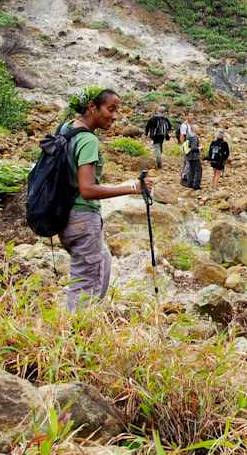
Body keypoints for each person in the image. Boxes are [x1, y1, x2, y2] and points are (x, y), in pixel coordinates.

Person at [58, 88, 153, 311]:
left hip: (65, 216)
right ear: (92, 107)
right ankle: (76, 336)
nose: (115, 115)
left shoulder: (67, 129)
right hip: (82, 217)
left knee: (102, 264)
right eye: (110, 109)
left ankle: (79, 330)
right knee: (87, 285)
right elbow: (88, 189)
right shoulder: (88, 139)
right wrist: (131, 188)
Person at [144, 105, 173, 170]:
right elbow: (170, 127)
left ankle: (158, 161)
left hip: (155, 135)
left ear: (157, 111)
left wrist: (146, 133)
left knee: (156, 146)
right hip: (162, 135)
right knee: (160, 145)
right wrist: (167, 135)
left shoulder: (153, 118)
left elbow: (147, 126)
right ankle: (159, 158)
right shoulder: (165, 118)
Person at [180, 123, 202, 189]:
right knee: (198, 170)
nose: (199, 130)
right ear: (195, 130)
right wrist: (199, 148)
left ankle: (190, 183)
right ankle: (196, 185)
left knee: (191, 170)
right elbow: (193, 148)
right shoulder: (195, 137)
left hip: (189, 156)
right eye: (198, 128)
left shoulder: (189, 136)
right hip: (195, 156)